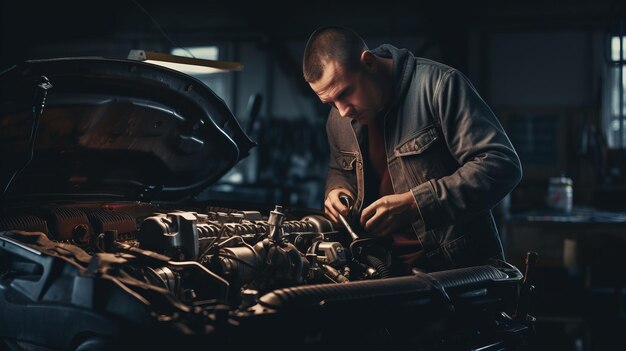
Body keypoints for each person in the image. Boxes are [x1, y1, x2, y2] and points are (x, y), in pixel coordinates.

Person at [302, 26, 522, 275]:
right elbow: (339, 170)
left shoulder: (440, 86)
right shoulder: (338, 118)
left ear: (369, 63)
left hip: (456, 272)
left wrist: (416, 204)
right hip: (380, 269)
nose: (342, 111)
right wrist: (336, 190)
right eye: (329, 102)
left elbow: (501, 165)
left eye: (345, 93)